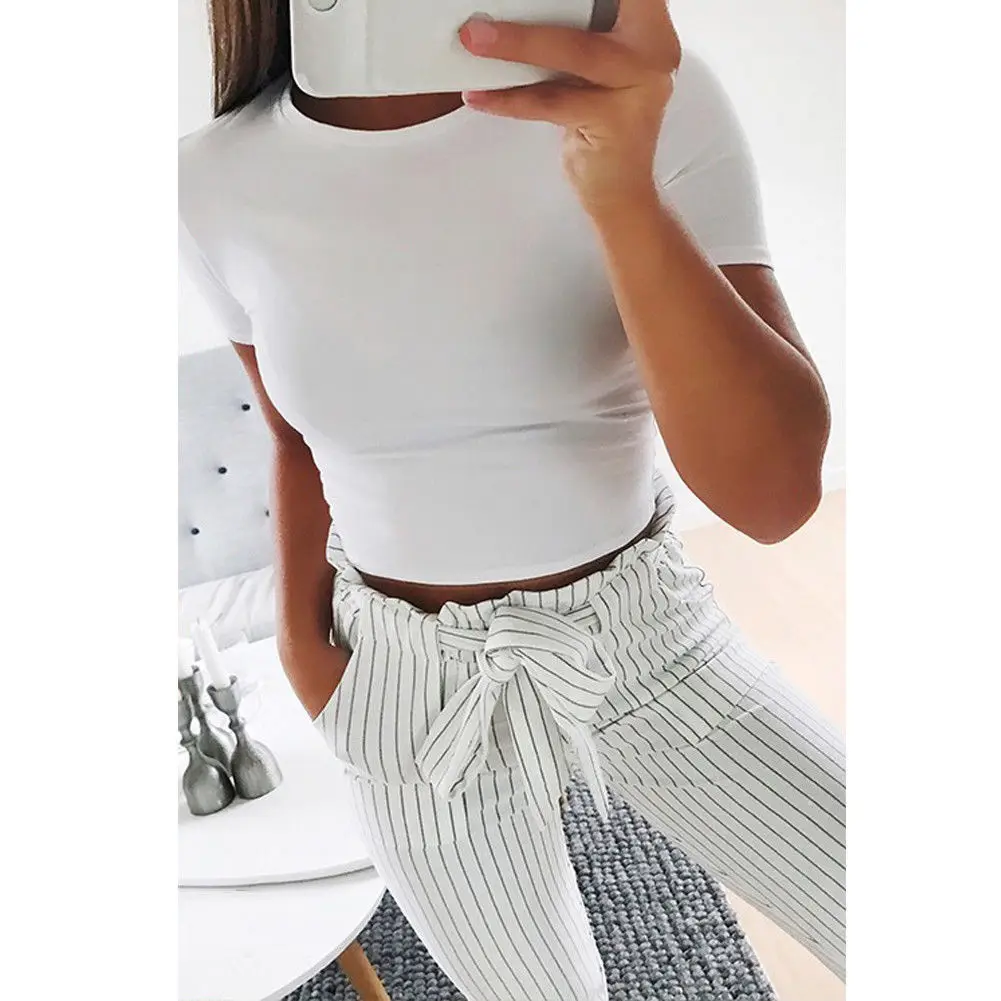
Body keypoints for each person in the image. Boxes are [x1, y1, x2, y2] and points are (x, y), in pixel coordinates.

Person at [179, 1, 846, 996]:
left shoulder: (639, 102)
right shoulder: (212, 180)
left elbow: (772, 499)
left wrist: (620, 190)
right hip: (400, 683)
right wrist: (304, 648)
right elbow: (292, 436)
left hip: (646, 640)